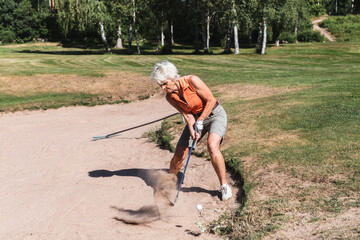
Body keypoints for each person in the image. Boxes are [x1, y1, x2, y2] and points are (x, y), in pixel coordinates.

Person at [150, 60, 232, 201]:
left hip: (215, 114)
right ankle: (170, 182)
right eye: (160, 85)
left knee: (212, 146)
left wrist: (200, 120)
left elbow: (211, 100)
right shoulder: (170, 97)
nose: (163, 88)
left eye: (164, 84)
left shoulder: (192, 80)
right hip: (196, 119)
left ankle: (224, 185)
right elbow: (188, 116)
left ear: (173, 78)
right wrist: (193, 127)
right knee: (179, 155)